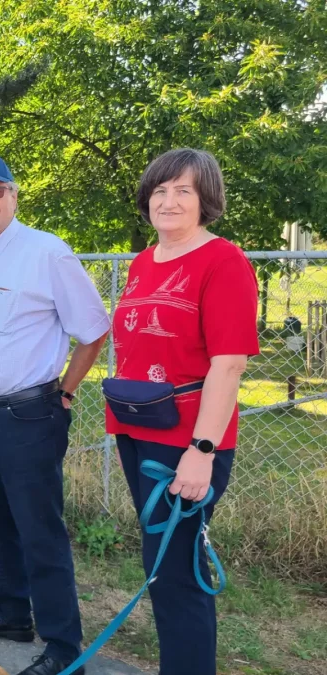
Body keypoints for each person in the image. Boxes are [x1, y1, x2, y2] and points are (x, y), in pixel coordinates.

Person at [0, 156, 110, 675]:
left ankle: (64, 648)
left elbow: (93, 331)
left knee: (40, 533)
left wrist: (64, 391)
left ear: (14, 196)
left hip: (26, 418)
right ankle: (13, 613)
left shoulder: (47, 252)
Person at [105, 148, 259, 675]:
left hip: (188, 441)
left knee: (175, 572)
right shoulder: (144, 262)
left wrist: (202, 451)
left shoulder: (224, 261)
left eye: (184, 191)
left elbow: (229, 365)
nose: (168, 201)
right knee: (162, 564)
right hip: (137, 428)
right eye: (160, 190)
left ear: (205, 200)